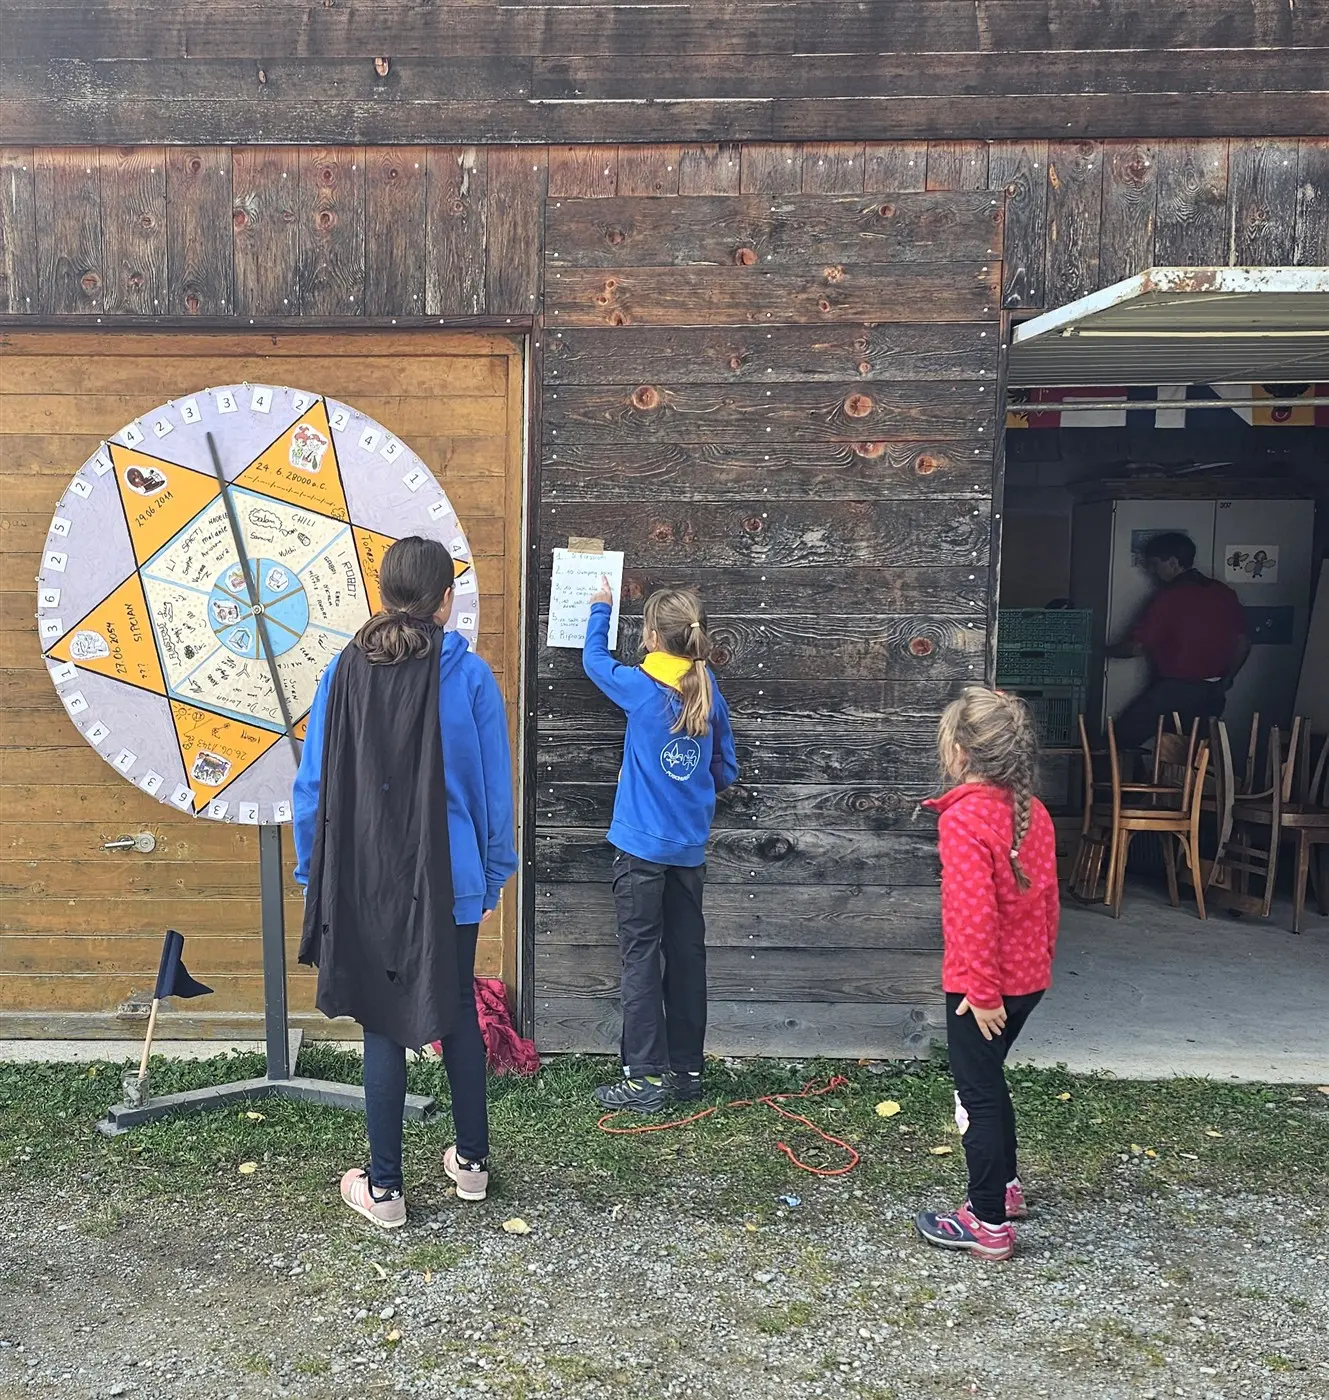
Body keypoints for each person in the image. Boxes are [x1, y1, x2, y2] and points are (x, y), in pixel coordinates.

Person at [293, 536, 516, 1228]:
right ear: (446, 600)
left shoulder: (343, 672)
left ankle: (383, 1190)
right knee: (454, 1010)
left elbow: (313, 787)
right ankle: (471, 1165)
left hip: (365, 877)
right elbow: (491, 788)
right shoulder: (470, 676)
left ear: (384, 595)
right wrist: (492, 873)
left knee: (382, 1025)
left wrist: (313, 869)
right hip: (451, 878)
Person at [582, 582, 738, 1113]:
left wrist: (601, 605)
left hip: (639, 852)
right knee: (687, 957)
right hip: (688, 853)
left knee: (641, 958)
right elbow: (725, 769)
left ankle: (644, 1078)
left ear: (650, 637)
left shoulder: (640, 687)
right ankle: (687, 1073)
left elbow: (593, 660)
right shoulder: (708, 687)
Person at [915, 688, 1060, 1262]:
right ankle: (1006, 1188)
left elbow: (971, 917)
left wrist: (979, 992)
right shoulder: (1034, 812)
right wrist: (1035, 967)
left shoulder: (966, 821)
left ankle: (986, 1220)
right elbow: (1047, 903)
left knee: (975, 1095)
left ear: (957, 752)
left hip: (984, 990)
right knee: (991, 1084)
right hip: (1027, 982)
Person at [1108, 531, 1250, 750]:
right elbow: (1243, 644)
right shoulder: (1224, 594)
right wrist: (1227, 680)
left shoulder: (1170, 597)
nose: (1152, 572)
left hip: (1174, 691)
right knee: (1187, 755)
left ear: (1173, 562)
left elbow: (1136, 648)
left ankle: (1123, 783)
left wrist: (1103, 650)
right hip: (1213, 694)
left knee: (1115, 742)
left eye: (1155, 565)